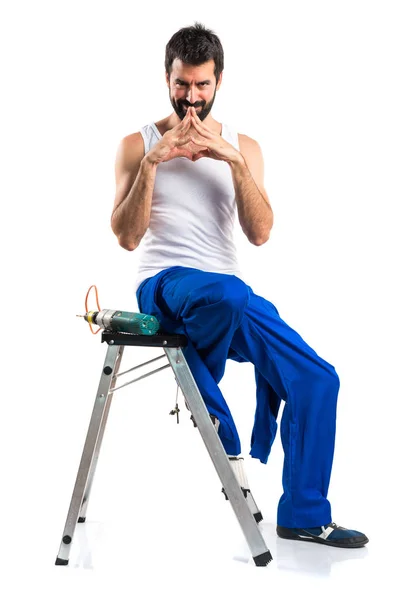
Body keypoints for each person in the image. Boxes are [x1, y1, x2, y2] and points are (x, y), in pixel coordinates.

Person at [110, 22, 368, 549]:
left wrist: (231, 161)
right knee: (225, 296)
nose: (191, 99)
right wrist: (156, 162)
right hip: (163, 284)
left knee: (319, 380)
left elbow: (261, 233)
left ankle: (303, 512)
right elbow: (126, 237)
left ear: (219, 82)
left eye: (202, 86)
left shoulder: (243, 146)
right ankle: (220, 422)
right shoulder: (138, 144)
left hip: (228, 292)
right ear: (167, 78)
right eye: (182, 85)